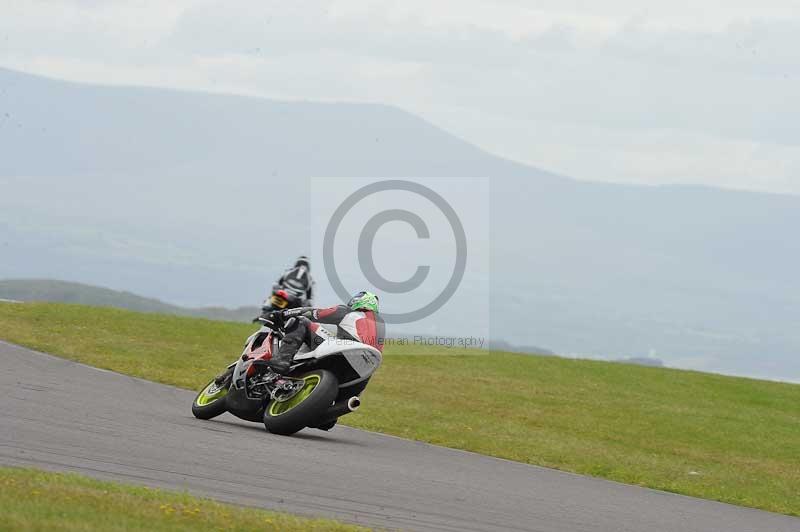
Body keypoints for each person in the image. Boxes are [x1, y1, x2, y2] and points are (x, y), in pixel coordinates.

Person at [263, 291, 384, 375]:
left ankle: (281, 360)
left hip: (342, 355)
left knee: (301, 321)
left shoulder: (347, 312)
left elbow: (313, 313)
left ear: (359, 301)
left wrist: (281, 314)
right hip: (363, 371)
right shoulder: (380, 326)